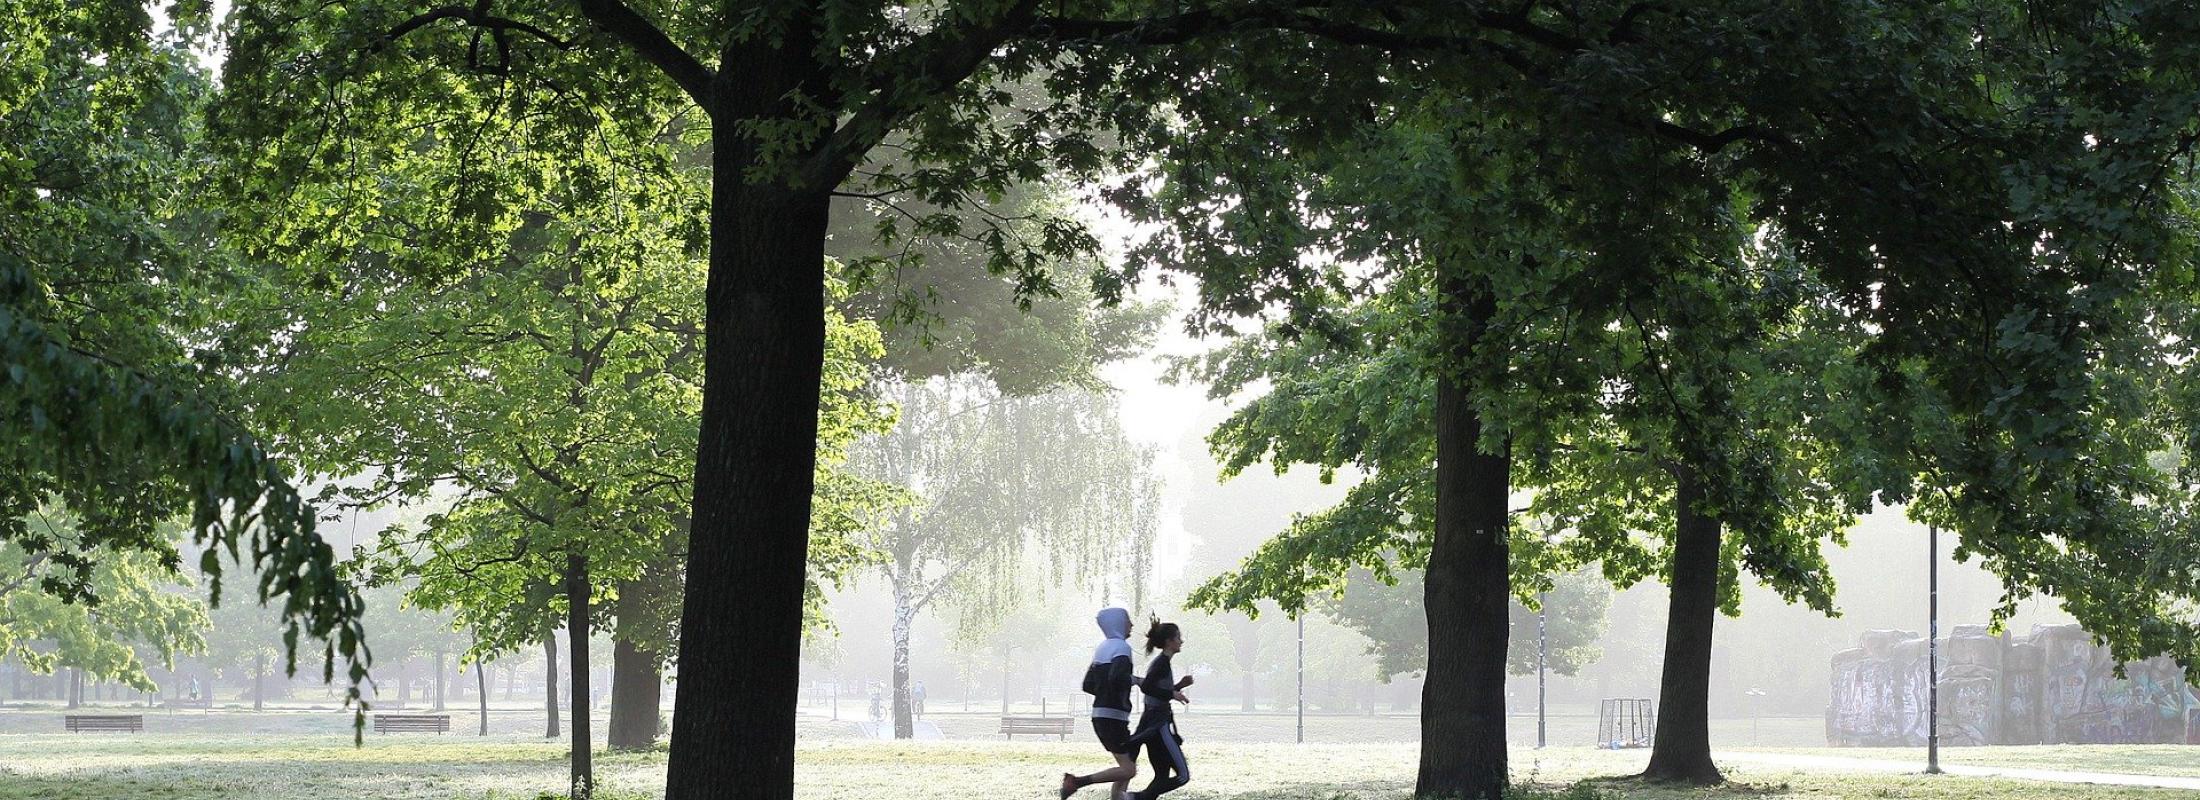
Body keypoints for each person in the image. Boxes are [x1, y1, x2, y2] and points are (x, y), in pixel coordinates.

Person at [1061, 608, 1140, 799]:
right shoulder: (1122, 648)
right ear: (1118, 623)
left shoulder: (1102, 648)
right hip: (1113, 717)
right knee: (1129, 770)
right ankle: (1077, 782)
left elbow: (1088, 684)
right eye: (1128, 620)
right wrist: (1138, 681)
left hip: (1101, 715)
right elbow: (1118, 677)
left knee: (1128, 762)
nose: (1131, 624)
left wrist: (1106, 692)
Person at [1124, 619, 1192, 800]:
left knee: (1161, 776)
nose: (1181, 641)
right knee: (1182, 776)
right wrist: (1173, 693)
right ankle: (1132, 798)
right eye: (1178, 637)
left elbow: (1157, 691)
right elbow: (1147, 687)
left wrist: (1178, 687)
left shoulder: (1163, 663)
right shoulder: (1161, 663)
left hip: (1154, 724)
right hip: (1158, 725)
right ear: (1169, 641)